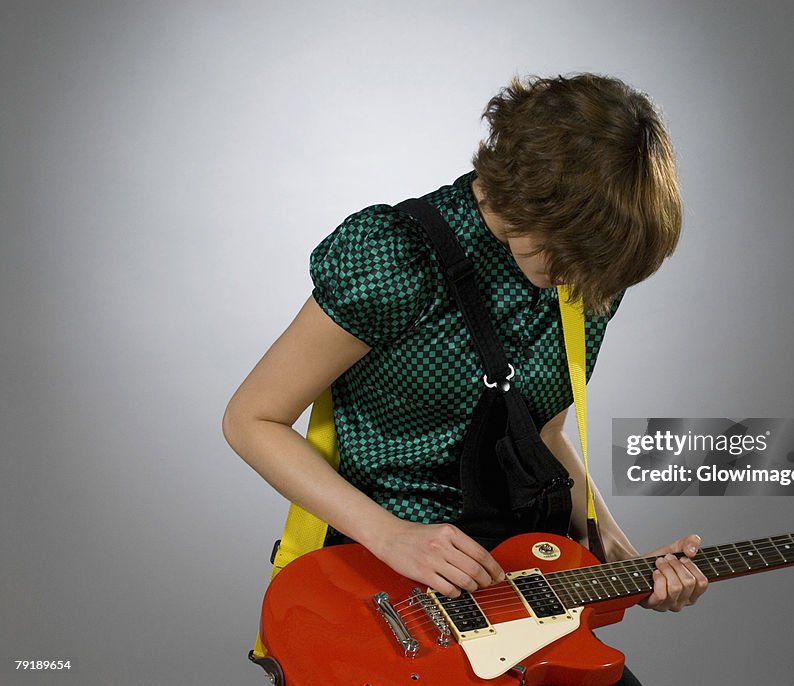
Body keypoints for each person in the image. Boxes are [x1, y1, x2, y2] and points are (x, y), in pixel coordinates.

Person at [222, 73, 707, 686]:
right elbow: (250, 419)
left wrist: (613, 543)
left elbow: (543, 430)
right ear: (529, 199)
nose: (579, 284)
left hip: (515, 587)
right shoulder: (398, 257)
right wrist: (393, 536)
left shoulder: (584, 270)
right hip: (383, 585)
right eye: (568, 256)